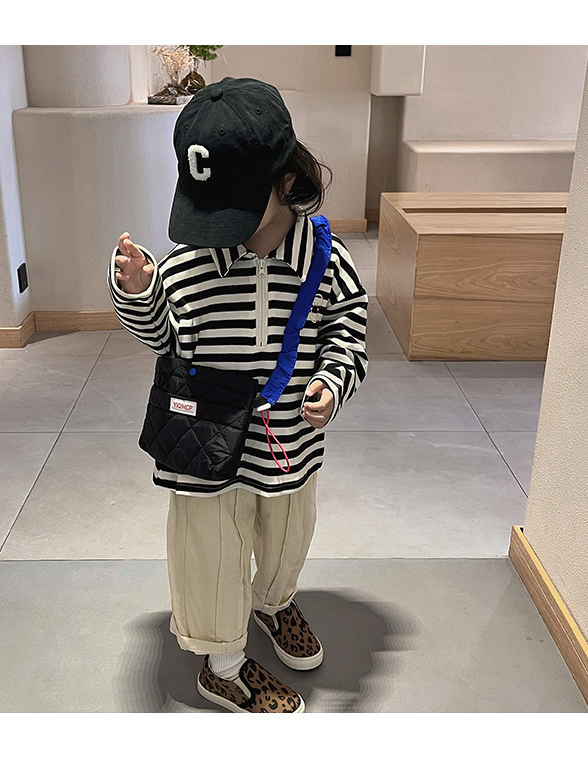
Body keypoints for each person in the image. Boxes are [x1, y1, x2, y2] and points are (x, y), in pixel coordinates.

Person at [108, 77, 368, 713]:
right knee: (210, 549)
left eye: (234, 211)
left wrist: (332, 382)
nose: (219, 231)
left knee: (288, 532)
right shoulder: (187, 264)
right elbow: (164, 337)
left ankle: (274, 602)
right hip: (204, 444)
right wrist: (139, 293)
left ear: (287, 181)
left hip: (288, 441)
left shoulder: (325, 260)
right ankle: (221, 663)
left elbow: (347, 325)